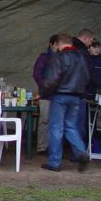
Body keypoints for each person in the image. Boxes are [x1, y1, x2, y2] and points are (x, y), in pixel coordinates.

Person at [39, 34, 90, 173]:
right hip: (76, 97)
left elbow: (52, 80)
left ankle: (55, 162)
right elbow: (87, 77)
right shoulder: (81, 57)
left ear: (59, 44)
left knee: (56, 128)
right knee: (71, 126)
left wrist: (44, 93)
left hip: (60, 96)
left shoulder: (59, 57)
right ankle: (81, 152)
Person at [31, 34, 59, 154]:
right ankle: (42, 146)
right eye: (56, 44)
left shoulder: (63, 58)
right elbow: (36, 74)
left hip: (58, 95)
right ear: (51, 44)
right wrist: (45, 86)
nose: (58, 47)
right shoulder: (44, 58)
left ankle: (54, 147)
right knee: (45, 120)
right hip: (46, 94)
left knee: (56, 122)